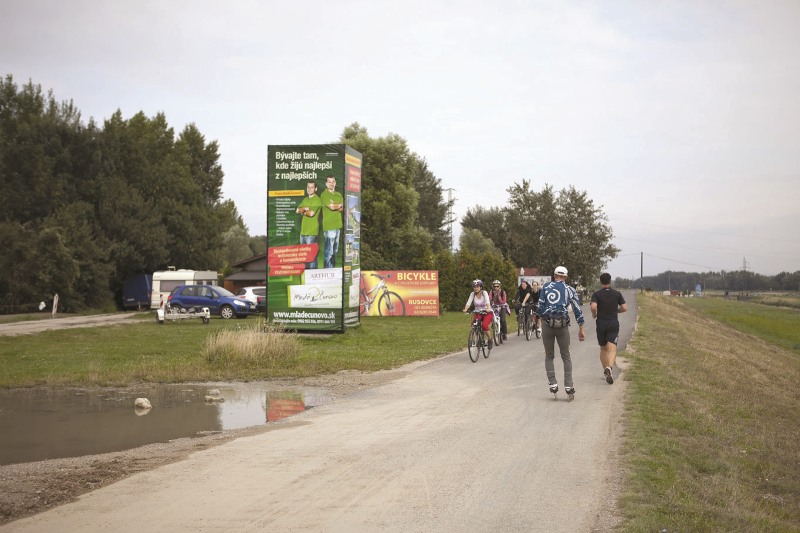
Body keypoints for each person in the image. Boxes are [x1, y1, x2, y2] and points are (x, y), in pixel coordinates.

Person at [535, 266, 586, 399]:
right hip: (563, 327)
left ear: (554, 275)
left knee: (549, 356)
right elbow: (577, 309)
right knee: (566, 356)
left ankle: (553, 384)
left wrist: (538, 319)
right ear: (566, 277)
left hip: (548, 325)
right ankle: (569, 386)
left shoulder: (546, 287)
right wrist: (581, 327)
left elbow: (540, 306)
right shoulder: (570, 290)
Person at [590, 272, 627, 384]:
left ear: (600, 282)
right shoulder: (617, 294)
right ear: (610, 281)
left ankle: (606, 371)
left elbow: (593, 306)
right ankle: (609, 368)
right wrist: (617, 311)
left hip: (601, 324)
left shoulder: (596, 294)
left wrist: (594, 314)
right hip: (613, 324)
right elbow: (624, 308)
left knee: (603, 349)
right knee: (612, 348)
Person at [296, 181, 322, 269]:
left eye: (312, 187)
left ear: (315, 189)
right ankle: (306, 274)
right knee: (304, 256)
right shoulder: (305, 199)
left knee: (311, 256)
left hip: (312, 232)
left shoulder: (317, 200)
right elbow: (297, 210)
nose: (309, 189)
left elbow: (311, 214)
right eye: (308, 187)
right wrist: (306, 209)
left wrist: (302, 210)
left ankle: (312, 274)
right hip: (303, 232)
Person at [320, 175, 344, 269]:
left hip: (338, 226)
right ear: (326, 184)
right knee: (329, 252)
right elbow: (332, 207)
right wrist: (338, 205)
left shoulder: (339, 195)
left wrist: (336, 206)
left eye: (333, 181)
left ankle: (332, 271)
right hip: (329, 227)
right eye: (329, 182)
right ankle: (327, 271)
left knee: (335, 251)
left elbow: (342, 208)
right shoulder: (324, 194)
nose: (331, 184)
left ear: (335, 183)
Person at [463, 279, 494, 349]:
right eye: (474, 287)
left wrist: (488, 308)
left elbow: (487, 301)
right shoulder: (472, 294)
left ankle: (490, 339)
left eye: (477, 286)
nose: (475, 288)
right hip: (478, 312)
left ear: (481, 287)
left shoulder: (484, 293)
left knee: (484, 325)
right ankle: (478, 339)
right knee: (474, 325)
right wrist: (465, 309)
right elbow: (468, 302)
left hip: (487, 312)